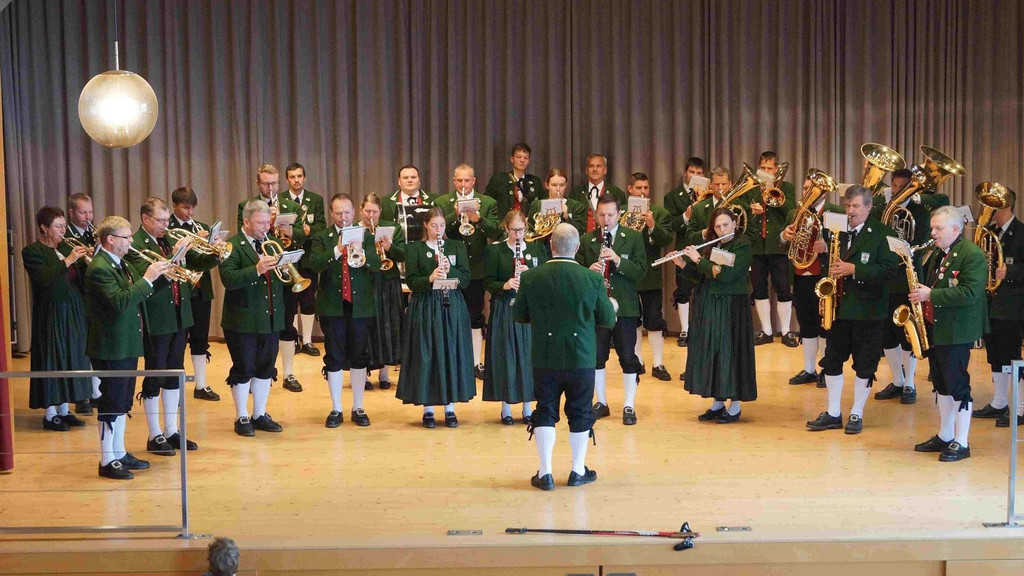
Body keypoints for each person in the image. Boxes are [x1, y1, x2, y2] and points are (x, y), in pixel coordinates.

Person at [513, 223, 617, 490]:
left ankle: (545, 473)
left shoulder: (531, 277)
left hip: (545, 356)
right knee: (581, 411)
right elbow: (607, 319)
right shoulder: (592, 279)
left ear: (551, 245)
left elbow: (519, 315)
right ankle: (577, 470)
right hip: (581, 356)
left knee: (545, 409)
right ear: (578, 247)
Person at [806, 186, 900, 434]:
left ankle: (857, 412)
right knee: (832, 361)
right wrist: (825, 255)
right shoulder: (836, 230)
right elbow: (830, 265)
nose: (850, 211)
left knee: (865, 365)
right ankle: (833, 412)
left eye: (856, 206)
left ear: (869, 207)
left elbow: (891, 270)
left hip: (868, 312)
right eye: (847, 206)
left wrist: (855, 270)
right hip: (838, 309)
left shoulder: (883, 234)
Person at [126, 198, 212, 455]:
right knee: (155, 374)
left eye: (167, 220)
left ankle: (172, 430)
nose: (166, 225)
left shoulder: (168, 238)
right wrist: (177, 255)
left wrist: (213, 250)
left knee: (175, 373)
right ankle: (154, 434)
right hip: (157, 318)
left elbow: (198, 264)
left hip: (179, 315)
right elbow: (151, 280)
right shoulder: (135, 245)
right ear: (145, 219)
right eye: (161, 221)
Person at [85, 216, 169, 479]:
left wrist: (163, 276)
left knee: (122, 401)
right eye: (127, 236)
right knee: (111, 402)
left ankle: (119, 452)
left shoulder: (119, 263)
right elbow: (121, 301)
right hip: (111, 346)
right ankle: (107, 460)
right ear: (110, 239)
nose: (131, 240)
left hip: (126, 343)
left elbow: (139, 294)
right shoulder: (99, 268)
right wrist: (147, 279)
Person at [910, 206, 988, 461]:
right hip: (938, 326)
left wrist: (931, 294)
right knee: (941, 384)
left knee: (957, 385)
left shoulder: (972, 254)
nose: (933, 233)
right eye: (932, 227)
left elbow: (970, 293)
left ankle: (962, 441)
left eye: (938, 228)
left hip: (957, 330)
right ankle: (945, 435)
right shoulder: (938, 253)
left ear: (956, 229)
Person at [396, 207, 476, 427]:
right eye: (434, 225)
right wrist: (430, 277)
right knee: (427, 354)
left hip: (452, 305)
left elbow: (466, 279)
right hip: (426, 305)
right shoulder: (415, 249)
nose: (438, 230)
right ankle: (428, 409)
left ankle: (450, 409)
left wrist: (450, 271)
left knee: (451, 352)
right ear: (425, 225)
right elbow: (412, 281)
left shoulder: (456, 246)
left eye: (441, 225)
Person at [674, 207, 756, 422]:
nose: (722, 230)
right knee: (714, 352)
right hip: (709, 304)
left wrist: (698, 260)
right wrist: (683, 264)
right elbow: (703, 276)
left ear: (734, 224)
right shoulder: (713, 244)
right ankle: (718, 403)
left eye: (726, 225)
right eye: (718, 226)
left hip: (731, 306)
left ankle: (735, 406)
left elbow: (726, 275)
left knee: (731, 353)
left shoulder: (742, 245)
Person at [307, 194, 380, 427]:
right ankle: (336, 408)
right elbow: (315, 264)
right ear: (331, 213)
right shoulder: (322, 237)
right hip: (332, 306)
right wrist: (338, 250)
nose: (344, 217)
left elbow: (378, 265)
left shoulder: (367, 236)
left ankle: (358, 407)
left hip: (361, 307)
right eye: (338, 213)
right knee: (334, 356)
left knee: (359, 355)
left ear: (354, 212)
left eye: (347, 212)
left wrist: (363, 252)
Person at [872, 168, 942, 405]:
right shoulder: (881, 210)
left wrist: (903, 246)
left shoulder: (920, 212)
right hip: (885, 277)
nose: (897, 191)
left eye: (903, 187)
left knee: (908, 331)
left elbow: (923, 243)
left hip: (908, 278)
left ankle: (910, 383)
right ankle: (897, 380)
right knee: (887, 333)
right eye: (894, 186)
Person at [577, 194, 648, 425]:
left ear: (619, 214)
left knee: (627, 355)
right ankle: (601, 402)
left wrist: (617, 260)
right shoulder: (587, 240)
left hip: (625, 307)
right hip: (597, 308)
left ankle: (629, 404)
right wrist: (588, 270)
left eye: (610, 214)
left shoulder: (633, 237)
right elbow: (577, 271)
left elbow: (641, 272)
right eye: (601, 215)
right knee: (597, 356)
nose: (605, 219)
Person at [235, 164, 306, 393]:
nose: (271, 187)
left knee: (286, 324)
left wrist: (290, 232)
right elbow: (244, 240)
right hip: (260, 274)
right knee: (260, 329)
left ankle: (288, 373)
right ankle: (256, 374)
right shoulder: (246, 206)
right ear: (258, 184)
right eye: (266, 184)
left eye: (274, 183)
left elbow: (302, 239)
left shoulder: (291, 206)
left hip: (284, 273)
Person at [219, 200, 287, 437]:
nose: (265, 227)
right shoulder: (231, 246)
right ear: (246, 222)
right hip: (242, 320)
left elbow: (281, 280)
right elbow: (228, 279)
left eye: (268, 222)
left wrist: (287, 266)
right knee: (244, 367)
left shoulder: (274, 243)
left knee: (266, 367)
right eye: (260, 223)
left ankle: (259, 413)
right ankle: (241, 415)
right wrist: (257, 269)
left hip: (270, 316)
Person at [21, 207, 92, 431]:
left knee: (71, 357)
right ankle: (50, 414)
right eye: (58, 226)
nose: (63, 231)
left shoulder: (65, 248)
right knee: (53, 357)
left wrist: (88, 258)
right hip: (51, 312)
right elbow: (44, 279)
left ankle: (64, 409)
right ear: (44, 228)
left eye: (64, 226)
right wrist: (69, 261)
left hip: (73, 309)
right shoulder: (32, 252)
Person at [437, 164, 501, 379]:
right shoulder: (443, 202)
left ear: (474, 181)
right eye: (459, 180)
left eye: (467, 180)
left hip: (476, 269)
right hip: (450, 267)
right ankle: (451, 362)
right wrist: (454, 215)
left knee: (475, 316)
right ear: (454, 181)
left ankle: (475, 363)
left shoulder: (488, 202)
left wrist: (478, 219)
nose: (463, 184)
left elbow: (496, 231)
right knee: (449, 316)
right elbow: (437, 229)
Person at [483, 210, 547, 424]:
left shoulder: (536, 249)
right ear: (506, 229)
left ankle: (528, 408)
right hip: (504, 307)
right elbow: (488, 281)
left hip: (530, 309)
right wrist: (505, 284)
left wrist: (531, 275)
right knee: (506, 356)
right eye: (513, 230)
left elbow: (546, 278)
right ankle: (506, 408)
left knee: (528, 357)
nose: (518, 235)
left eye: (521, 230)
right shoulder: (496, 251)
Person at [780, 176, 842, 387]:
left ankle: (826, 369)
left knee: (824, 324)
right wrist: (784, 235)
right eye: (805, 188)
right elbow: (782, 244)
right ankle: (809, 369)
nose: (807, 192)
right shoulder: (794, 213)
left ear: (824, 192)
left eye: (812, 189)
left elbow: (845, 242)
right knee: (805, 323)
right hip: (800, 275)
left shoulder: (835, 211)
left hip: (823, 276)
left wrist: (826, 246)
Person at [168, 187, 223, 402]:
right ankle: (175, 388)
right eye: (185, 208)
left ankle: (201, 385)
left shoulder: (202, 227)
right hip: (181, 291)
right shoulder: (168, 229)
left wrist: (215, 248)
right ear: (174, 205)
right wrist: (191, 242)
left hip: (201, 290)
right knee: (179, 341)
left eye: (192, 208)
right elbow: (176, 258)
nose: (190, 213)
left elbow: (206, 260)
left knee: (200, 338)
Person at [974, 194, 1024, 427]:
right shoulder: (989, 232)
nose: (988, 210)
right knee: (994, 353)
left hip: (1012, 305)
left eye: (992, 206)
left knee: (1011, 355)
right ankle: (999, 401)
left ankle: (1020, 408)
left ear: (1005, 206)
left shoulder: (1022, 232)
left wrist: (1010, 272)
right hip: (990, 303)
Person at [625, 172, 674, 381]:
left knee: (654, 319)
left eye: (646, 188)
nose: (643, 192)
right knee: (633, 320)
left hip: (651, 275)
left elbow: (666, 240)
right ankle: (638, 360)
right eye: (638, 188)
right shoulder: (621, 212)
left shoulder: (660, 213)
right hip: (628, 275)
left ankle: (658, 363)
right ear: (630, 189)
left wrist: (653, 225)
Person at [748, 151, 798, 347]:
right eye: (763, 168)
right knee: (759, 289)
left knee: (783, 289)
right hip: (756, 247)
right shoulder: (751, 188)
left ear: (776, 170)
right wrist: (752, 211)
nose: (766, 171)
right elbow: (743, 215)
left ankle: (786, 331)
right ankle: (767, 331)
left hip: (778, 246)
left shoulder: (787, 188)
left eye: (770, 168)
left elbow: (792, 211)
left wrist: (774, 194)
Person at [360, 193, 405, 390]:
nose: (371, 215)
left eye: (375, 212)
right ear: (361, 210)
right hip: (365, 283)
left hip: (388, 283)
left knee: (388, 326)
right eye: (367, 211)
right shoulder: (356, 229)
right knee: (366, 329)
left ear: (380, 211)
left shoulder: (392, 228)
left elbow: (404, 254)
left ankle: (384, 373)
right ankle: (363, 373)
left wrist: (390, 247)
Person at [283, 163, 327, 357]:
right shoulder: (280, 200)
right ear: (287, 180)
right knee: (290, 302)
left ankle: (307, 340)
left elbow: (321, 226)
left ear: (304, 177)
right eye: (292, 177)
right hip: (288, 258)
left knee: (308, 300)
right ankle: (293, 339)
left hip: (308, 257)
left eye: (299, 176)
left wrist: (309, 230)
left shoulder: (315, 199)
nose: (296, 180)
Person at [664, 157, 706, 347]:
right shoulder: (673, 197)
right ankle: (685, 330)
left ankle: (702, 329)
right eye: (692, 172)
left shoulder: (709, 195)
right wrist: (685, 216)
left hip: (705, 249)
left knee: (705, 289)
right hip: (684, 248)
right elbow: (670, 225)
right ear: (685, 173)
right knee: (683, 289)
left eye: (699, 173)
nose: (695, 176)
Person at [65, 192, 101, 414]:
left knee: (95, 346)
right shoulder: (65, 237)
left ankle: (96, 392)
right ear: (71, 213)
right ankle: (81, 396)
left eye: (90, 212)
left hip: (95, 298)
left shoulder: (95, 234)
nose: (88, 217)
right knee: (80, 349)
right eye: (82, 212)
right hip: (76, 298)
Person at [567, 154, 627, 233]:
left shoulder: (616, 192)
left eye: (598, 166)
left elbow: (622, 220)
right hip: (581, 238)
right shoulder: (576, 193)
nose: (595, 169)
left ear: (605, 170)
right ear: (586, 170)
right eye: (591, 166)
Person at [484, 143, 544, 217]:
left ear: (529, 161)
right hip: (505, 222)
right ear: (512, 159)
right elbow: (486, 203)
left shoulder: (535, 181)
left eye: (526, 158)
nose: (522, 160)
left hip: (528, 223)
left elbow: (543, 204)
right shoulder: (499, 180)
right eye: (519, 157)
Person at [527, 168, 587, 237]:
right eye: (554, 185)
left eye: (562, 185)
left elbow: (580, 232)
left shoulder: (576, 206)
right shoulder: (536, 205)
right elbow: (530, 231)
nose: (558, 189)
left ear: (566, 185)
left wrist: (567, 217)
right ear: (547, 185)